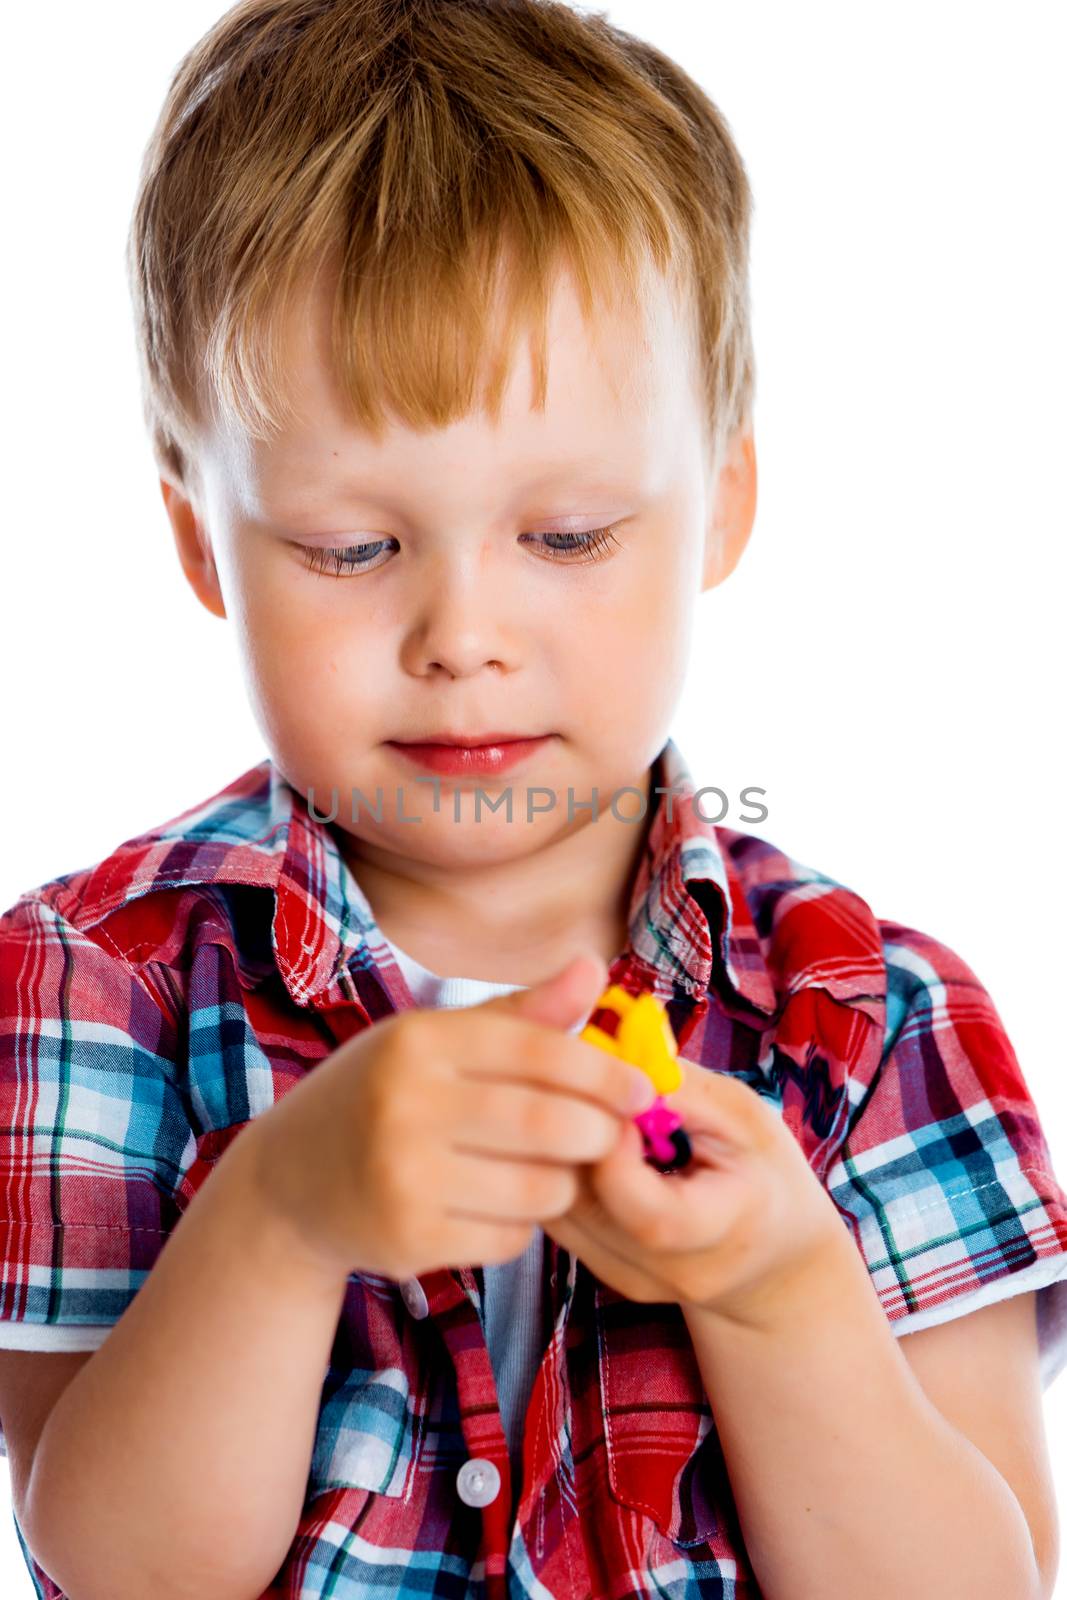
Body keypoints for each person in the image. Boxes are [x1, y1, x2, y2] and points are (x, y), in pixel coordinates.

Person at [0, 2, 1064, 1596]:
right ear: (200, 542)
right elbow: (115, 1568)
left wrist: (779, 1289)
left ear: (721, 506)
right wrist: (281, 1216)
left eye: (567, 536)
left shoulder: (869, 1016)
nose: (464, 639)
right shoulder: (100, 982)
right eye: (352, 550)